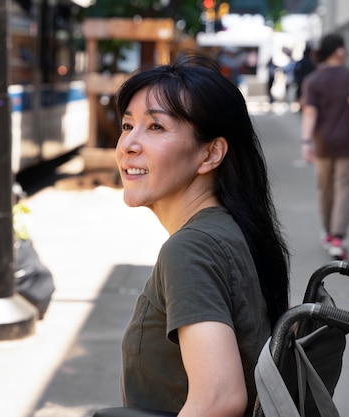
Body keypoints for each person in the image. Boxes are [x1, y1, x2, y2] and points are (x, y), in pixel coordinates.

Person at [114, 52, 291, 417]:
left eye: (155, 127)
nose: (129, 144)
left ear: (211, 154)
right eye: (127, 125)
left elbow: (219, 398)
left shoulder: (191, 249)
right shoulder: (229, 227)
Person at [301, 33, 349, 260]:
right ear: (338, 50)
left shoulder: (314, 80)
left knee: (325, 189)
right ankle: (338, 237)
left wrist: (306, 142)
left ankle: (328, 232)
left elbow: (310, 113)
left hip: (323, 145)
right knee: (345, 188)